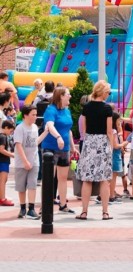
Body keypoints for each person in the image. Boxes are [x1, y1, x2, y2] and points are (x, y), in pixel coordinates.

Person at [75, 81, 114, 220]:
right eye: (108, 92)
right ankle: (105, 212)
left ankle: (84, 211)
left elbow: (84, 130)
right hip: (102, 142)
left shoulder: (86, 107)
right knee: (104, 180)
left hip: (89, 142)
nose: (109, 95)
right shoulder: (107, 109)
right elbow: (109, 131)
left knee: (87, 180)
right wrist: (113, 145)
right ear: (103, 92)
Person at [43, 86, 77, 214]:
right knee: (49, 178)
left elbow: (68, 130)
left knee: (63, 178)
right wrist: (58, 137)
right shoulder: (51, 110)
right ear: (61, 96)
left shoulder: (67, 110)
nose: (70, 96)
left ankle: (63, 204)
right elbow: (49, 125)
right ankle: (45, 205)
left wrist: (73, 147)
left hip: (65, 149)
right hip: (50, 148)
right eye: (68, 94)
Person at [14, 105, 48, 219]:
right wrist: (25, 161)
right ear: (25, 115)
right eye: (33, 114)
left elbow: (35, 142)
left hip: (34, 161)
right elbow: (18, 145)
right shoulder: (20, 128)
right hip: (21, 162)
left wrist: (45, 132)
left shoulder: (34, 127)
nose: (35, 117)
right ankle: (23, 207)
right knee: (21, 186)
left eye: (35, 114)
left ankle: (31, 208)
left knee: (32, 185)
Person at [109, 111, 128, 204]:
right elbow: (115, 145)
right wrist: (124, 143)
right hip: (115, 155)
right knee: (113, 176)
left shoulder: (109, 130)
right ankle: (111, 195)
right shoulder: (114, 131)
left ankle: (107, 194)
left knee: (109, 177)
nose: (120, 122)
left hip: (109, 154)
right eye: (118, 120)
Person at [0, 119, 15, 206]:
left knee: (3, 180)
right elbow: (1, 149)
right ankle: (2, 198)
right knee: (3, 180)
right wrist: (12, 155)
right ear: (6, 128)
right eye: (11, 130)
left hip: (3, 161)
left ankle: (2, 196)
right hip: (3, 161)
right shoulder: (3, 137)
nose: (11, 132)